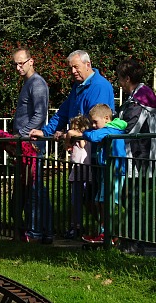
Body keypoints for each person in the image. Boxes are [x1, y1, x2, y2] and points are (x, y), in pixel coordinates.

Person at [66, 104, 127, 244]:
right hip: (106, 170)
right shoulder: (106, 129)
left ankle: (108, 234)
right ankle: (103, 232)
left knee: (106, 202)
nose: (93, 125)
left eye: (95, 122)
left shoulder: (110, 129)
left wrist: (80, 133)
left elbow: (93, 136)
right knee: (99, 201)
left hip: (114, 171)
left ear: (106, 118)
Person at [10, 48, 52, 243]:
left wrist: (22, 134)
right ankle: (42, 230)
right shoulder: (28, 83)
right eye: (15, 64)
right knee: (34, 188)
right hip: (26, 142)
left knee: (35, 188)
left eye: (21, 63)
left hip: (32, 143)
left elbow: (39, 115)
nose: (18, 68)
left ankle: (38, 231)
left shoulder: (37, 83)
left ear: (31, 61)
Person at [115, 58, 156, 251]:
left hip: (141, 158)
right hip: (140, 156)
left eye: (120, 79)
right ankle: (137, 238)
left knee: (130, 198)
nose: (119, 83)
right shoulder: (139, 96)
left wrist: (109, 131)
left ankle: (136, 241)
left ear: (127, 78)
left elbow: (131, 129)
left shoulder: (140, 100)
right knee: (130, 198)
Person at [29, 50, 115, 141]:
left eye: (76, 67)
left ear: (88, 65)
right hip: (81, 145)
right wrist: (45, 132)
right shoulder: (78, 86)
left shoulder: (100, 86)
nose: (73, 71)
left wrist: (71, 133)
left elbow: (96, 121)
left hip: (95, 149)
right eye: (70, 68)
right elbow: (63, 113)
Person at [64, 115, 92, 239]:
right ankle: (76, 225)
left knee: (84, 200)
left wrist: (69, 136)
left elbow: (79, 142)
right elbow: (67, 146)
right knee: (75, 201)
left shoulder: (84, 137)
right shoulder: (77, 138)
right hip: (77, 173)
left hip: (84, 172)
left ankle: (80, 226)